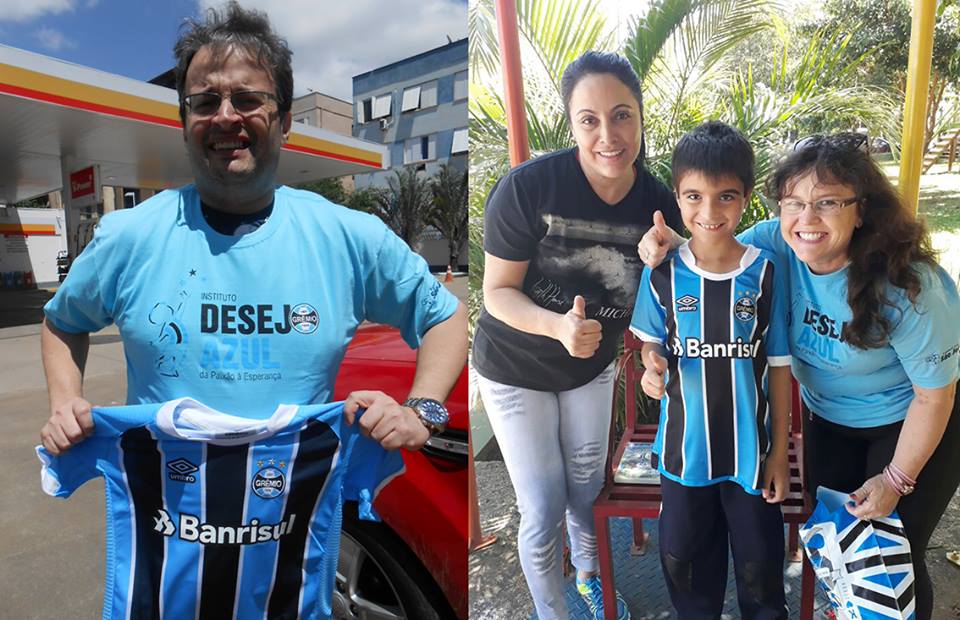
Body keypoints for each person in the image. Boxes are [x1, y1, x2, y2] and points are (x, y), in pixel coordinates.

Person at [39, 4, 466, 468]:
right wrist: (65, 403)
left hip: (294, 525)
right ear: (184, 126)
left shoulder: (349, 237)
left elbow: (446, 317)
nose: (225, 117)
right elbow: (63, 321)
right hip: (166, 525)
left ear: (284, 123)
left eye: (246, 99)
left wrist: (422, 410)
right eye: (204, 102)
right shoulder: (128, 235)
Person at [638, 132, 960, 620]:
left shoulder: (910, 286)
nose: (807, 220)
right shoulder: (777, 241)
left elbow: (934, 399)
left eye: (827, 203)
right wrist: (668, 242)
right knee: (838, 545)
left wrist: (895, 478)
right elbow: (715, 255)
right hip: (829, 419)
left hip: (913, 421)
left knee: (889, 555)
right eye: (793, 202)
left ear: (861, 208)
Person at [473, 50, 682, 620]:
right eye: (589, 119)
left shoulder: (659, 203)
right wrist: (556, 326)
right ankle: (551, 613)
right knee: (541, 504)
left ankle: (591, 577)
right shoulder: (527, 188)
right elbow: (496, 292)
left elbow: (687, 282)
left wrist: (675, 251)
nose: (608, 135)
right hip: (513, 365)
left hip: (592, 367)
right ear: (571, 124)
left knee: (586, 488)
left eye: (621, 116)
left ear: (640, 118)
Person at [631, 121, 791, 619]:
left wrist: (780, 454)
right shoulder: (660, 273)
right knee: (688, 569)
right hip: (684, 457)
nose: (709, 211)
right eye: (694, 197)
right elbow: (650, 351)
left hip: (750, 458)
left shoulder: (766, 272)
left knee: (761, 573)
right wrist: (650, 371)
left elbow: (781, 369)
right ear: (677, 199)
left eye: (725, 197)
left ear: (744, 200)